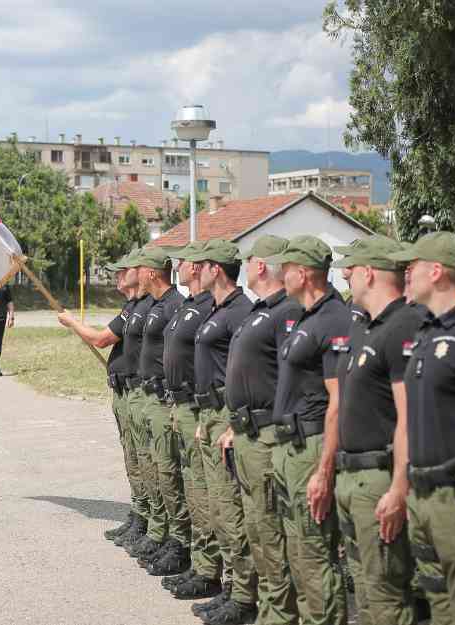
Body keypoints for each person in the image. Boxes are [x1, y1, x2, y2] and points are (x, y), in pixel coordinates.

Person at [388, 232, 455, 624]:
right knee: (438, 606)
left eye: (411, 266)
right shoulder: (427, 332)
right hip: (425, 495)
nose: (405, 273)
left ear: (437, 271)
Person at [330, 236, 422, 625]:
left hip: (380, 475)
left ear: (370, 273)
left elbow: (410, 416)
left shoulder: (404, 323)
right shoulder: (366, 326)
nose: (346, 276)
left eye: (352, 270)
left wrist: (399, 487)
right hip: (353, 473)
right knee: (366, 589)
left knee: (385, 592)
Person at [263, 235, 349, 625]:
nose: (279, 273)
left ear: (305, 272)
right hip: (289, 445)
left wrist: (324, 469)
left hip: (311, 445)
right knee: (296, 549)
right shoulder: (306, 316)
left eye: (287, 267)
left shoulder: (334, 319)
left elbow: (339, 401)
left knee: (314, 553)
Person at [222, 235, 302, 625]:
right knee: (257, 527)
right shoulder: (262, 310)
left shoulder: (286, 313)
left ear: (259, 266)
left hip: (269, 434)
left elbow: (293, 376)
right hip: (248, 431)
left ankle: (280, 613)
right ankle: (269, 608)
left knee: (270, 530)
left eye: (249, 259)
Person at [178, 239, 258, 623]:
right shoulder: (215, 307)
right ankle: (229, 584)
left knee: (230, 508)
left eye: (203, 264)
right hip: (207, 413)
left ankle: (243, 593)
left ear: (216, 269)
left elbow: (245, 371)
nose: (196, 269)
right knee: (215, 505)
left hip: (226, 413)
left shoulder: (242, 311)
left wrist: (230, 421)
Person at [58, 252, 144, 542]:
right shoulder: (130, 307)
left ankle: (147, 521)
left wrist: (72, 322)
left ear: (141, 273)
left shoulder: (142, 308)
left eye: (123, 271)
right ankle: (140, 515)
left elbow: (100, 339)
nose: (117, 276)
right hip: (123, 389)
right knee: (133, 459)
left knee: (144, 460)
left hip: (138, 392)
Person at [160, 241, 221, 596]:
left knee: (203, 493)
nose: (178, 266)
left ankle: (208, 567)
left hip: (201, 409)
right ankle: (200, 562)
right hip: (181, 405)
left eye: (182, 262)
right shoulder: (189, 306)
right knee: (192, 489)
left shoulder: (208, 308)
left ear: (198, 267)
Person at [130, 247, 190, 575]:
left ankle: (177, 538)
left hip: (165, 401)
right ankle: (162, 530)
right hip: (148, 395)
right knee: (154, 469)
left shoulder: (174, 305)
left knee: (169, 472)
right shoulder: (155, 305)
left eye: (139, 268)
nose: (135, 273)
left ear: (152, 272)